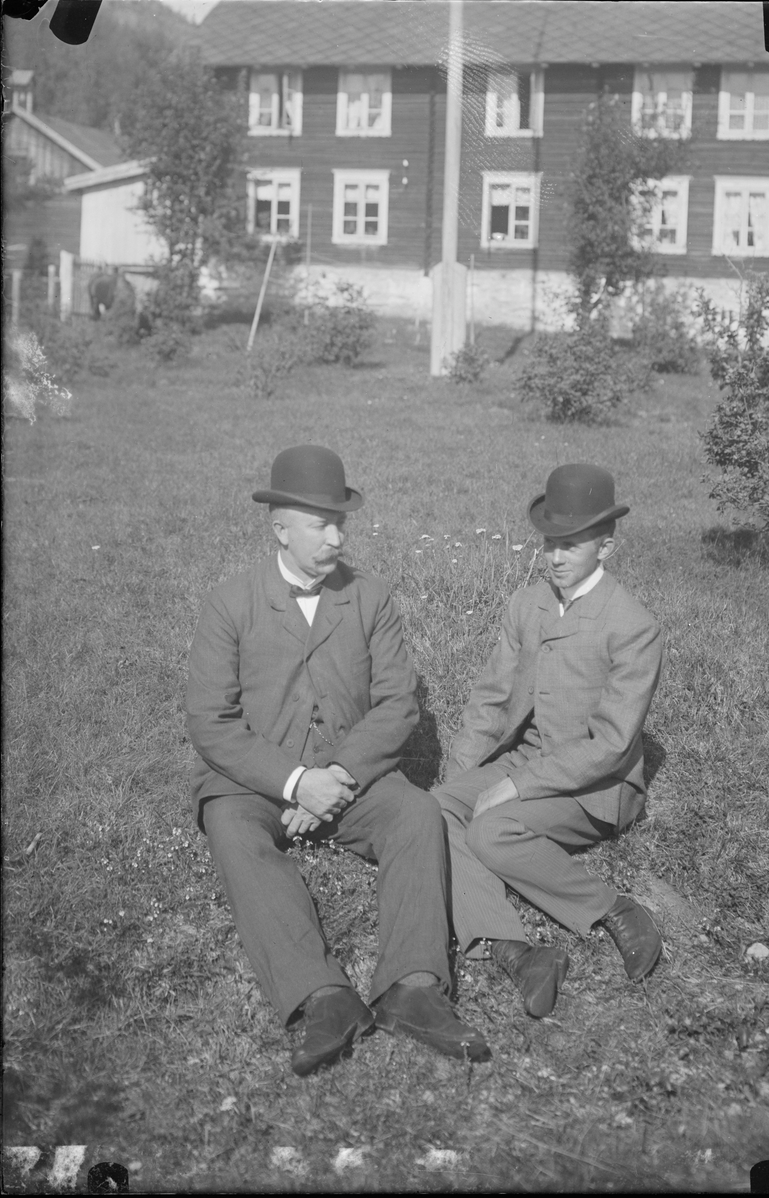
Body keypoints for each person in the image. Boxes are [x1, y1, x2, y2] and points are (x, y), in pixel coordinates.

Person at [187, 445, 490, 1076]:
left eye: (341, 522)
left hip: (351, 777)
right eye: (320, 523)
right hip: (257, 780)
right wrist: (296, 783)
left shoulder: (371, 598)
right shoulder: (230, 603)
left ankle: (413, 986)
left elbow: (397, 706)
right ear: (280, 530)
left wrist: (339, 777)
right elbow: (211, 724)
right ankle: (323, 996)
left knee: (415, 814)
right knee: (233, 829)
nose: (335, 536)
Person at [433, 463, 664, 1019]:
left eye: (571, 545)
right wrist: (459, 778)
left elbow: (610, 744)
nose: (556, 557)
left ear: (605, 547)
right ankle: (519, 950)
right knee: (433, 810)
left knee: (490, 832)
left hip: (596, 787)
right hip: (529, 756)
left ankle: (615, 909)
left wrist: (514, 785)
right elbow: (491, 699)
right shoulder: (526, 603)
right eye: (549, 543)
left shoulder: (633, 625)